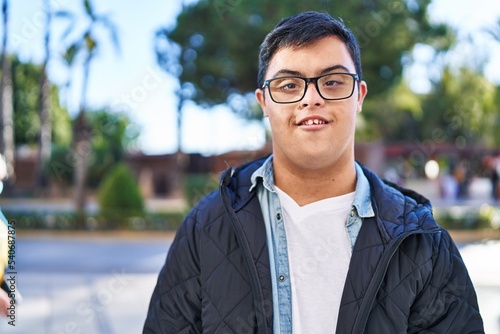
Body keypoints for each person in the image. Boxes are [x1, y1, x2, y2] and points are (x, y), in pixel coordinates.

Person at [144, 11, 484, 333]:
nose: (311, 98)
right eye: (289, 85)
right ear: (264, 102)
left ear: (359, 96)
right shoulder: (205, 228)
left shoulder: (423, 241)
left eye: (333, 82)